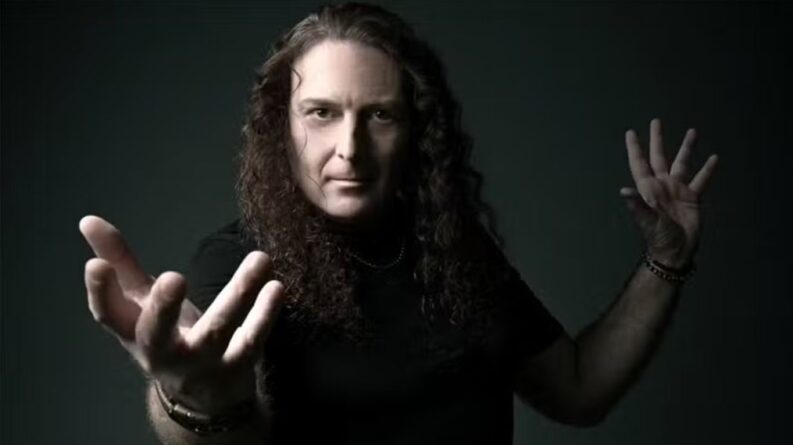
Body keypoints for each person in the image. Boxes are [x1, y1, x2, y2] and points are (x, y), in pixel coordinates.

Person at [79, 3, 719, 444]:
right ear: (282, 128)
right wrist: (193, 400)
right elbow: (222, 438)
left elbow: (578, 391)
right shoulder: (238, 262)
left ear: (415, 130)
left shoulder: (455, 251)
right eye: (322, 113)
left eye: (379, 115)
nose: (350, 148)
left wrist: (665, 261)